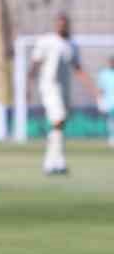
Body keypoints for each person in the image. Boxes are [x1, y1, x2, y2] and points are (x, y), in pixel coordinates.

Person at [28, 13, 95, 176]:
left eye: (64, 24)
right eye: (58, 24)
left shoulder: (71, 45)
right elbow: (35, 63)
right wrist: (28, 86)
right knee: (59, 119)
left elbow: (77, 68)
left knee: (60, 124)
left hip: (64, 89)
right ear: (55, 25)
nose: (61, 26)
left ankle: (54, 162)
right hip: (49, 87)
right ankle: (53, 162)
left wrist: (93, 89)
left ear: (67, 25)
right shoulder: (47, 41)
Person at [96, 55, 114, 147]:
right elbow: (100, 89)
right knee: (111, 121)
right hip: (109, 102)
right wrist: (99, 101)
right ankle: (112, 138)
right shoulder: (103, 74)